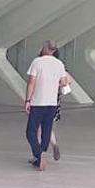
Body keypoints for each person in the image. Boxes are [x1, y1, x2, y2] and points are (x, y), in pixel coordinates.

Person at [25, 40, 71, 171]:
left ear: (45, 48)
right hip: (52, 103)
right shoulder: (59, 64)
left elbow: (31, 83)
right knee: (47, 130)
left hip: (38, 101)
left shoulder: (37, 62)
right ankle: (42, 153)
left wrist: (28, 100)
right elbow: (63, 82)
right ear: (55, 50)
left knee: (31, 132)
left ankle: (39, 154)